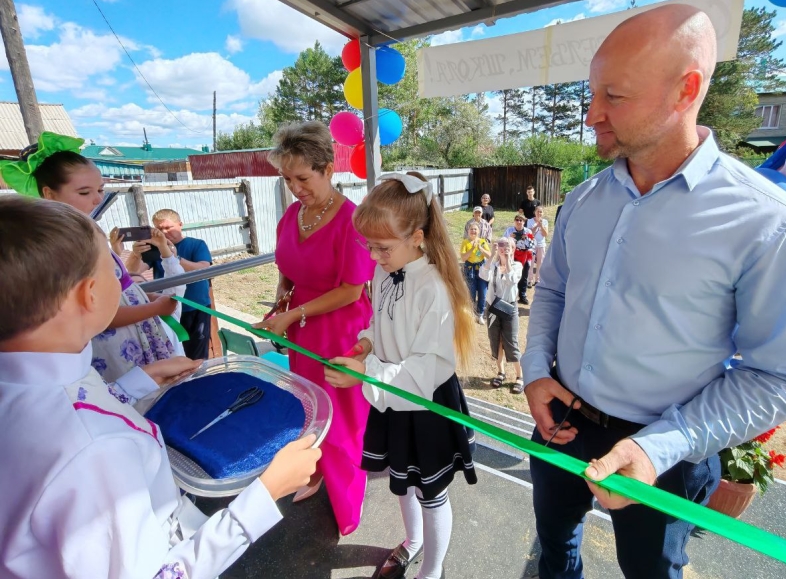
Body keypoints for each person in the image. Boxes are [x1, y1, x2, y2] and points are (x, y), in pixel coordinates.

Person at [522, 4, 786, 579]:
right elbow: (555, 292)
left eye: (614, 96)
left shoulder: (771, 223)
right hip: (561, 422)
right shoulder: (583, 201)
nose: (592, 115)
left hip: (671, 450)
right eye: (592, 94)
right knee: (554, 547)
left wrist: (657, 447)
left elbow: (782, 376)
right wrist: (537, 370)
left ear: (686, 90)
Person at [0, 195, 322, 578]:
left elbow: (84, 405)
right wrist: (266, 494)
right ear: (90, 294)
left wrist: (144, 377)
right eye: (112, 268)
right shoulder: (95, 453)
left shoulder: (45, 372)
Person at [326, 171, 477, 579]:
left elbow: (426, 369)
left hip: (425, 401)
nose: (373, 256)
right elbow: (380, 322)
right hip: (389, 392)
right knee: (403, 480)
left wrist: (366, 373)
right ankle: (412, 542)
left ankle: (432, 569)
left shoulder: (435, 289)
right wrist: (366, 346)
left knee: (431, 493)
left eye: (382, 247)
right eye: (369, 246)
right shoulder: (384, 270)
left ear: (417, 236)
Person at [254, 121, 375, 536]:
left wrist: (290, 315)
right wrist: (280, 304)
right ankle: (317, 472)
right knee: (310, 411)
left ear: (328, 168)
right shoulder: (292, 214)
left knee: (343, 424)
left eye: (303, 178)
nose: (294, 187)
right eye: (287, 179)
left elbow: (351, 290)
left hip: (341, 333)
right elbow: (287, 271)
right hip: (302, 330)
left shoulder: (353, 219)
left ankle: (348, 501)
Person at [0, 133, 181, 384]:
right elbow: (92, 311)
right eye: (84, 192)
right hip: (117, 343)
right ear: (49, 194)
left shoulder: (87, 230)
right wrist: (153, 308)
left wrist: (142, 297)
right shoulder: (64, 244)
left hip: (134, 326)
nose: (97, 199)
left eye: (100, 189)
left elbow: (116, 287)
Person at [126, 208, 214, 360]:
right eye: (159, 229)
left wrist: (174, 257)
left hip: (196, 307)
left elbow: (204, 269)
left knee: (197, 355)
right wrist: (135, 254)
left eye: (168, 227)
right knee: (173, 354)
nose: (165, 232)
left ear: (180, 224)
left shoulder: (196, 244)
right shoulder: (155, 249)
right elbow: (133, 273)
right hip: (168, 310)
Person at [481, 236, 523, 394]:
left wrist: (509, 260)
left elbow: (512, 280)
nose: (504, 249)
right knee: (495, 340)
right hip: (493, 307)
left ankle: (519, 376)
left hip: (509, 307)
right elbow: (483, 276)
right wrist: (492, 255)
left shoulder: (517, 266)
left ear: (513, 250)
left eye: (508, 247)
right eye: (502, 246)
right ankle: (501, 372)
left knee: (511, 341)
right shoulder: (493, 265)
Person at [461, 222, 491, 324]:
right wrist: (473, 248)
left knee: (483, 292)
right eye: (471, 229)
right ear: (468, 231)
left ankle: (480, 314)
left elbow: (489, 256)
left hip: (482, 269)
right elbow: (463, 258)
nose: (473, 231)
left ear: (479, 231)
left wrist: (480, 248)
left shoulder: (483, 242)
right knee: (471, 293)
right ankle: (472, 313)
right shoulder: (465, 242)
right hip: (470, 269)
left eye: (475, 229)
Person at [504, 215, 535, 305]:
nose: (519, 222)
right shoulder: (509, 230)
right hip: (512, 256)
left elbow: (533, 245)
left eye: (521, 220)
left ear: (524, 222)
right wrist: (509, 238)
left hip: (524, 256)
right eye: (517, 220)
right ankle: (511, 296)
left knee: (524, 276)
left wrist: (527, 239)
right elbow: (502, 242)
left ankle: (522, 295)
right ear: (514, 221)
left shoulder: (528, 231)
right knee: (511, 275)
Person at [527, 206, 549, 287]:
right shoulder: (530, 221)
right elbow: (529, 233)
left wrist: (541, 226)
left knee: (540, 262)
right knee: (531, 263)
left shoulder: (545, 221)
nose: (539, 213)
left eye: (541, 212)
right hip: (532, 245)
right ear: (534, 212)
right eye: (538, 211)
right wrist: (536, 226)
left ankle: (537, 279)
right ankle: (529, 280)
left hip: (541, 244)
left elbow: (545, 234)